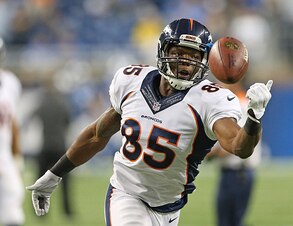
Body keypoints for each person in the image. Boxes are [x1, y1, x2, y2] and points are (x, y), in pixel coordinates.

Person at [26, 18, 272, 226]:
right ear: (162, 52)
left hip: (169, 208)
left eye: (193, 55)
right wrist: (54, 174)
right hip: (126, 194)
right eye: (178, 53)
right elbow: (96, 135)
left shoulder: (210, 99)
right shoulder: (131, 82)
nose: (186, 61)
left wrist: (254, 117)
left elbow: (240, 147)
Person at [207, 81, 262, 226]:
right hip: (235, 173)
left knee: (228, 221)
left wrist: (208, 153)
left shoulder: (240, 106)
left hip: (237, 173)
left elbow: (238, 143)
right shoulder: (243, 104)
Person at [35, 77, 73, 218]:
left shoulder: (42, 104)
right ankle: (67, 211)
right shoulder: (62, 103)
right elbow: (68, 122)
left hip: (45, 146)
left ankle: (41, 211)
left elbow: (35, 117)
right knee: (65, 182)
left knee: (41, 181)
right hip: (60, 147)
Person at [0, 37, 24, 226]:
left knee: (13, 217)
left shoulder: (10, 82)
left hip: (4, 158)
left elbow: (13, 123)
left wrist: (17, 156)